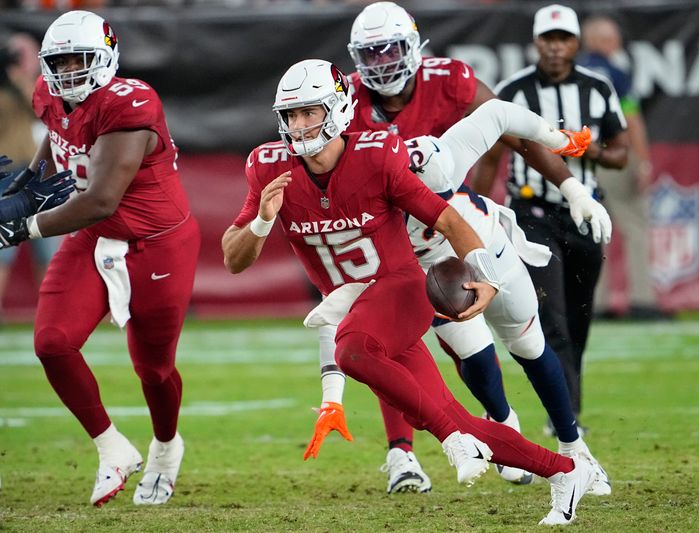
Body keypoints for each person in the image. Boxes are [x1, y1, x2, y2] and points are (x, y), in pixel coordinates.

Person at [222, 58, 596, 526]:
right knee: (453, 413)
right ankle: (565, 471)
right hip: (358, 300)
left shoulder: (380, 155)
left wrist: (484, 276)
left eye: (309, 112)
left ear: (337, 110)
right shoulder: (267, 168)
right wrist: (261, 221)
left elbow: (448, 218)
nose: (298, 126)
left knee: (355, 350)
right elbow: (234, 259)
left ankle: (450, 439)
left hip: (403, 287)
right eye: (291, 115)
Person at [341, 0, 612, 493]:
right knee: (471, 348)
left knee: (529, 340)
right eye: (370, 54)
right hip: (420, 255)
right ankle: (504, 426)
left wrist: (573, 184)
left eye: (390, 51)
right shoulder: (349, 118)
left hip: (474, 232)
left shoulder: (449, 120)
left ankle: (574, 446)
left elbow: (509, 122)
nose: (381, 64)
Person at [0, 10, 201, 507]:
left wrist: (24, 226)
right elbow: (58, 137)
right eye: (58, 62)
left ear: (106, 56)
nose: (67, 72)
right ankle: (112, 448)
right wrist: (27, 183)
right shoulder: (47, 94)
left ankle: (165, 448)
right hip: (93, 237)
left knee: (153, 369)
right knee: (51, 342)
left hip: (157, 243)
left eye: (78, 60)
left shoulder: (131, 103)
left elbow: (102, 197)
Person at [472, 4, 628, 434]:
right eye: (548, 39)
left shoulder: (598, 88)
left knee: (578, 318)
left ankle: (569, 403)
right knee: (553, 317)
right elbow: (491, 156)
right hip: (532, 215)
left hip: (584, 212)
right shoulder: (513, 90)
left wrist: (589, 151)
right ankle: (566, 417)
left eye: (563, 39)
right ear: (536, 42)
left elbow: (621, 153)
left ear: (576, 43)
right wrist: (473, 211)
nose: (555, 48)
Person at [579, 15, 672, 321]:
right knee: (635, 227)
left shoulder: (570, 72)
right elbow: (630, 119)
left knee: (592, 233)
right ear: (601, 41)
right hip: (612, 158)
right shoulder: (615, 74)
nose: (617, 44)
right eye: (613, 38)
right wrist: (642, 161)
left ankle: (596, 304)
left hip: (578, 160)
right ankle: (642, 301)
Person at [0, 33, 67, 319]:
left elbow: (39, 109)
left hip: (32, 172)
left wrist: (18, 76)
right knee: (3, 249)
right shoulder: (5, 95)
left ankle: (51, 313)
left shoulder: (23, 88)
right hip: (6, 173)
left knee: (46, 247)